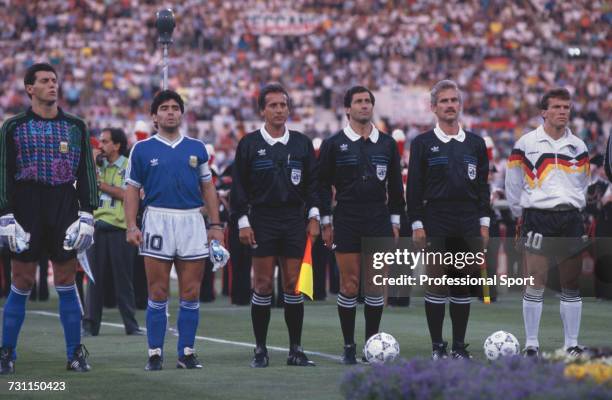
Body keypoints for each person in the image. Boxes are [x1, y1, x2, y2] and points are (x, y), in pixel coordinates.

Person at [0, 62, 98, 373]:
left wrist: (87, 212)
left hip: (63, 201)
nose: (52, 85)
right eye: (44, 81)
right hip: (26, 203)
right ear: (30, 88)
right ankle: (6, 352)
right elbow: (3, 171)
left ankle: (75, 353)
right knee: (22, 280)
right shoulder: (12, 127)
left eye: (54, 80)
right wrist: (5, 214)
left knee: (67, 280)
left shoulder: (76, 126)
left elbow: (86, 172)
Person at [124, 90, 224, 371]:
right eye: (164, 108)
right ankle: (155, 352)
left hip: (192, 220)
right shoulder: (141, 149)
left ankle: (187, 353)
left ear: (182, 113)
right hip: (157, 219)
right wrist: (132, 225)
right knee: (157, 291)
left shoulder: (197, 147)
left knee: (190, 292)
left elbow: (208, 187)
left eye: (175, 108)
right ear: (154, 116)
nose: (170, 112)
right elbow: (131, 189)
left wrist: (215, 225)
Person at [230, 83, 320, 368]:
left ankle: (296, 349)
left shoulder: (302, 143)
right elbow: (239, 187)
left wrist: (314, 216)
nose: (279, 110)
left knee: (293, 286)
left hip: (294, 219)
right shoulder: (249, 143)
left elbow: (314, 185)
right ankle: (260, 349)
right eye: (273, 105)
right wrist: (243, 221)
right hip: (262, 219)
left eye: (283, 105)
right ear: (262, 110)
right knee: (263, 284)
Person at [318, 86, 405, 364]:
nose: (364, 106)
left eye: (368, 101)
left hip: (378, 218)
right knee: (350, 284)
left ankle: (371, 345)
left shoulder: (388, 144)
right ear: (347, 109)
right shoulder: (333, 143)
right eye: (358, 101)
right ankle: (348, 346)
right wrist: (326, 219)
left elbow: (395, 186)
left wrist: (394, 221)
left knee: (375, 285)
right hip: (347, 217)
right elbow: (321, 184)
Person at [406, 79, 491, 360]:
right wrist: (417, 223)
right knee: (437, 282)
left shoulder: (476, 144)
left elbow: (482, 187)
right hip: (436, 216)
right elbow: (414, 188)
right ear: (433, 107)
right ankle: (437, 347)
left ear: (460, 105)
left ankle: (458, 346)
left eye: (454, 100)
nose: (450, 105)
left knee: (462, 283)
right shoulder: (422, 143)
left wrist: (484, 223)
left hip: (467, 217)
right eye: (444, 101)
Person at [505, 87, 589, 357]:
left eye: (566, 107)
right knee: (535, 282)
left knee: (571, 284)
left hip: (571, 218)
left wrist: (574, 206)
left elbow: (582, 184)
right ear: (544, 112)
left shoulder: (579, 146)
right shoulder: (526, 144)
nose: (563, 112)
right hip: (538, 218)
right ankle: (531, 344)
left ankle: (572, 344)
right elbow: (513, 184)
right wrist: (521, 215)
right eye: (557, 107)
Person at [82, 128, 142, 336]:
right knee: (94, 279)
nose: (100, 146)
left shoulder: (127, 165)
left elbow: (127, 194)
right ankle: (90, 325)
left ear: (117, 145)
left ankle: (131, 325)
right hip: (97, 228)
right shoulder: (97, 166)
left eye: (105, 142)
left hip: (119, 228)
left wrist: (100, 184)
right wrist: (93, 166)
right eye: (100, 142)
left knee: (123, 279)